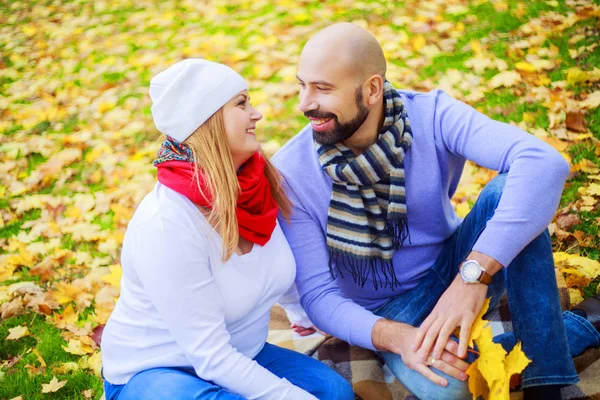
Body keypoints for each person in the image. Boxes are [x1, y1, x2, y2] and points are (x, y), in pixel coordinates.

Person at [273, 23, 600, 400]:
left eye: (323, 89)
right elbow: (318, 297)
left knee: (515, 190)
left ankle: (549, 384)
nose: (304, 103)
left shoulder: (432, 116)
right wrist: (399, 338)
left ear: (372, 89)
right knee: (451, 391)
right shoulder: (291, 172)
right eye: (303, 85)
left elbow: (544, 163)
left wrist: (471, 278)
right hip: (387, 311)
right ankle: (577, 327)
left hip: (455, 264)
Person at [100, 59, 354, 400]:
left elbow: (277, 264)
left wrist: (301, 313)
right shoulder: (166, 223)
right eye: (242, 103)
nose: (257, 114)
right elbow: (211, 356)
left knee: (333, 391)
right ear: (206, 120)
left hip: (241, 351)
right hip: (157, 369)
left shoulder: (256, 187)